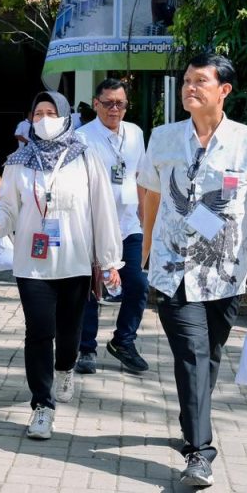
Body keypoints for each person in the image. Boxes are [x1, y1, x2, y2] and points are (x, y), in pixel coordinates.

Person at [138, 52, 247, 488]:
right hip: (172, 268)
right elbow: (150, 195)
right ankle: (199, 452)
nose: (190, 87)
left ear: (224, 90)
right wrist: (144, 252)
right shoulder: (163, 137)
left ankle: (191, 420)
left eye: (200, 80)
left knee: (210, 356)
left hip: (224, 274)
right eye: (187, 80)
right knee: (192, 354)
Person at [0, 92, 121, 440]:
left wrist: (110, 260)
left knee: (69, 333)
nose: (44, 119)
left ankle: (65, 367)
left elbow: (102, 209)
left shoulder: (85, 156)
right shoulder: (19, 160)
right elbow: (7, 207)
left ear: (66, 116)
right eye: (38, 113)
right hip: (32, 263)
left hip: (74, 261)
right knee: (39, 332)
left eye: (51, 112)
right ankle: (42, 405)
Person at [75, 79, 149, 375]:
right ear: (96, 104)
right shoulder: (82, 137)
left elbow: (141, 178)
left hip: (129, 225)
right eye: (108, 103)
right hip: (94, 226)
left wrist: (146, 222)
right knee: (92, 289)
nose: (114, 109)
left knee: (138, 285)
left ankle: (123, 341)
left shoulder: (135, 134)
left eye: (120, 104)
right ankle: (86, 348)